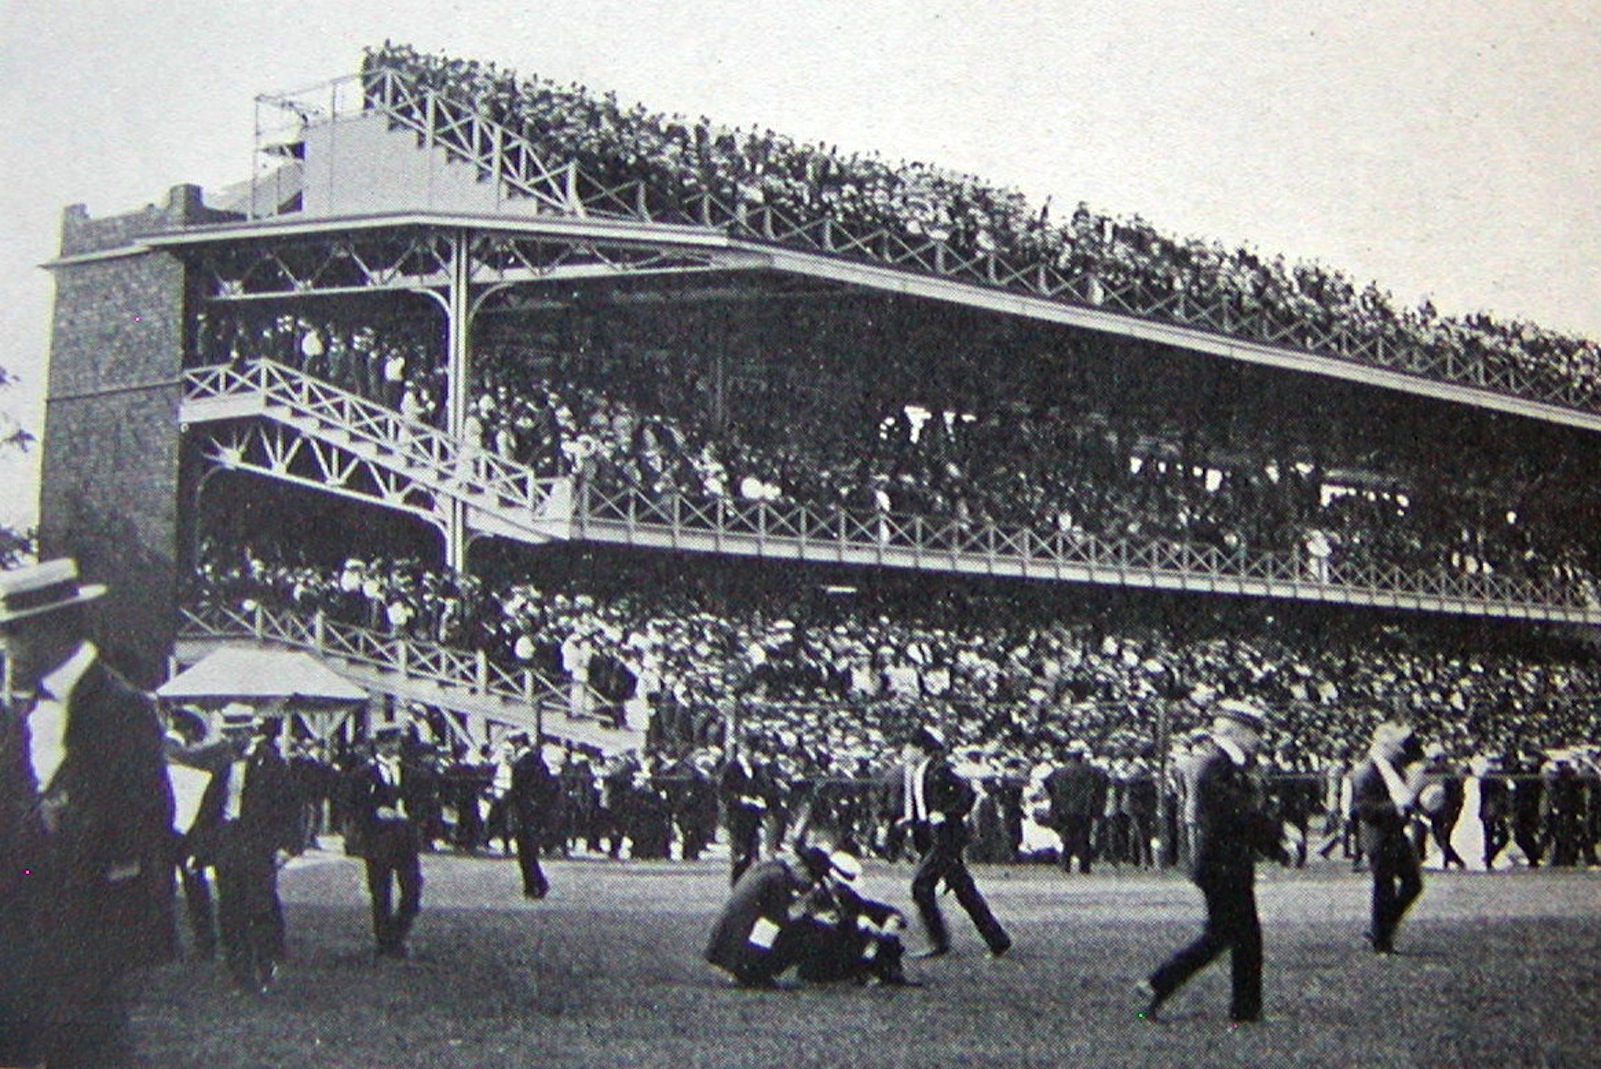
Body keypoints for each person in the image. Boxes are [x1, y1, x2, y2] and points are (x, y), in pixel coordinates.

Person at [0, 559, 177, 1068]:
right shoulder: (21, 712)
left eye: (13, 634)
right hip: (19, 941)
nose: (6, 649)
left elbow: (144, 830)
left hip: (88, 944)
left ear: (52, 629)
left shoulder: (122, 711)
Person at [1139, 699, 1285, 1025]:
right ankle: (1160, 985)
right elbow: (1239, 815)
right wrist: (1275, 834)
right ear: (1236, 731)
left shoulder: (1224, 765)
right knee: (1230, 936)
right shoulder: (1216, 767)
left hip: (1225, 864)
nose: (1259, 739)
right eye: (1254, 732)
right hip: (1223, 865)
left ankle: (1243, 1009)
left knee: (1234, 936)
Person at [192, 713, 302, 992]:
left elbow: (289, 806)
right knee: (230, 908)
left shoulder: (271, 763)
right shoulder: (222, 764)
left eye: (237, 733)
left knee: (260, 905)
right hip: (228, 839)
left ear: (249, 732)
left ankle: (265, 965)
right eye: (228, 734)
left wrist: (287, 846)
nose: (232, 740)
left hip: (258, 842)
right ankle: (240, 974)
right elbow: (208, 808)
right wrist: (200, 849)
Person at [899, 725, 1011, 959]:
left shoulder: (939, 769)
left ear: (920, 748)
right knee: (964, 890)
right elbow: (926, 808)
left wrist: (948, 813)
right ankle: (997, 939)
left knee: (921, 885)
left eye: (908, 747)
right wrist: (913, 822)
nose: (904, 752)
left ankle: (939, 941)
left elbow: (967, 794)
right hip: (934, 837)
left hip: (946, 838)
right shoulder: (920, 771)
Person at [704, 842, 832, 987]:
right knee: (806, 931)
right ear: (802, 869)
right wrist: (808, 913)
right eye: (811, 879)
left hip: (726, 948)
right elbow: (777, 921)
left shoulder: (769, 869)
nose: (809, 886)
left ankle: (751, 968)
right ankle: (755, 972)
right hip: (738, 953)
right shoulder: (779, 879)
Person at [1351, 721, 1426, 954]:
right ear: (1385, 745)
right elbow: (1364, 809)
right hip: (1378, 835)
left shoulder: (1390, 767)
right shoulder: (1366, 771)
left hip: (1392, 832)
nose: (1401, 749)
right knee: (1385, 886)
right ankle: (1382, 937)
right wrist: (1396, 807)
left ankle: (1382, 929)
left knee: (1412, 883)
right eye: (1396, 744)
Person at [352, 724, 424, 957]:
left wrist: (413, 818)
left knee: (412, 888)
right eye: (388, 742)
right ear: (379, 744)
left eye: (396, 741)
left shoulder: (411, 772)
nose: (393, 746)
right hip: (379, 839)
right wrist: (374, 813)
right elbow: (353, 806)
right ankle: (386, 941)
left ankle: (398, 931)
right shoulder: (364, 774)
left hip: (405, 838)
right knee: (380, 892)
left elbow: (422, 803)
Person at [720, 733, 779, 884]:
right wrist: (740, 799)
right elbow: (724, 791)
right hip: (737, 817)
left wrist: (762, 798)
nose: (752, 754)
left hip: (753, 816)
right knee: (740, 853)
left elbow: (764, 788)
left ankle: (748, 886)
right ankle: (737, 885)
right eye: (749, 750)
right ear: (742, 748)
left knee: (752, 853)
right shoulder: (732, 768)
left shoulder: (757, 768)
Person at [1044, 739, 1106, 874]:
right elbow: (1103, 782)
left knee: (1068, 837)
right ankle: (1084, 866)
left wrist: (1057, 797)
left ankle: (1065, 864)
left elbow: (1047, 783)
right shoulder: (1091, 771)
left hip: (1064, 808)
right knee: (1083, 838)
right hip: (1084, 809)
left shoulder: (1059, 772)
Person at [508, 734, 558, 898]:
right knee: (528, 850)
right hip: (534, 810)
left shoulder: (523, 763)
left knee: (525, 850)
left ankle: (533, 884)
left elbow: (519, 789)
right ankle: (536, 883)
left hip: (526, 810)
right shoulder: (536, 761)